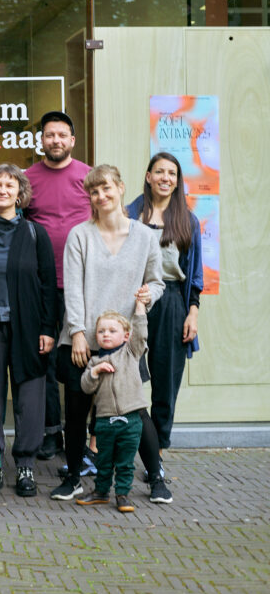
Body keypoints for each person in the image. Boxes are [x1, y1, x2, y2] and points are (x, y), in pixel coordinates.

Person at [51, 164, 170, 505]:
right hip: (83, 341)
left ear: (120, 187)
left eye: (106, 189)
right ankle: (73, 477)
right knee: (76, 410)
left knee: (135, 410)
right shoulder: (80, 235)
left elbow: (157, 281)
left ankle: (157, 478)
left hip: (126, 345)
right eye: (93, 191)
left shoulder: (146, 236)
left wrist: (149, 296)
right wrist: (76, 333)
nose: (100, 196)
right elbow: (72, 288)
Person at [0, 165, 57, 499]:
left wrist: (49, 328)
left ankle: (25, 467)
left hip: (30, 329)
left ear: (20, 193)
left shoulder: (36, 234)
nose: (3, 190)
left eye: (10, 185)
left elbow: (49, 285)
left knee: (30, 400)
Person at [23, 111, 92, 461]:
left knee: (83, 360)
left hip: (84, 284)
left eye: (62, 135)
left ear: (72, 140)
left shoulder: (89, 177)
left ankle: (83, 436)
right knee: (45, 360)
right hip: (42, 287)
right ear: (41, 140)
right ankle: (51, 434)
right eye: (49, 135)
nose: (56, 141)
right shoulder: (27, 178)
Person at [126, 152, 203, 453]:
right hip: (134, 301)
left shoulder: (188, 220)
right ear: (148, 176)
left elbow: (194, 275)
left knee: (165, 381)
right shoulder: (130, 215)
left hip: (171, 302)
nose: (165, 178)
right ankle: (123, 446)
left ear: (177, 181)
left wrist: (192, 314)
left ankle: (157, 451)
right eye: (159, 172)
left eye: (172, 174)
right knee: (126, 375)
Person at [75, 296, 151, 513]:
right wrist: (94, 372)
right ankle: (100, 492)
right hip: (105, 421)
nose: (106, 334)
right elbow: (85, 386)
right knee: (104, 460)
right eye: (101, 331)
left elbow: (141, 334)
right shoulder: (95, 361)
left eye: (111, 330)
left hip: (131, 420)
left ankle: (122, 494)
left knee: (126, 462)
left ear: (126, 336)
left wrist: (139, 308)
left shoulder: (131, 352)